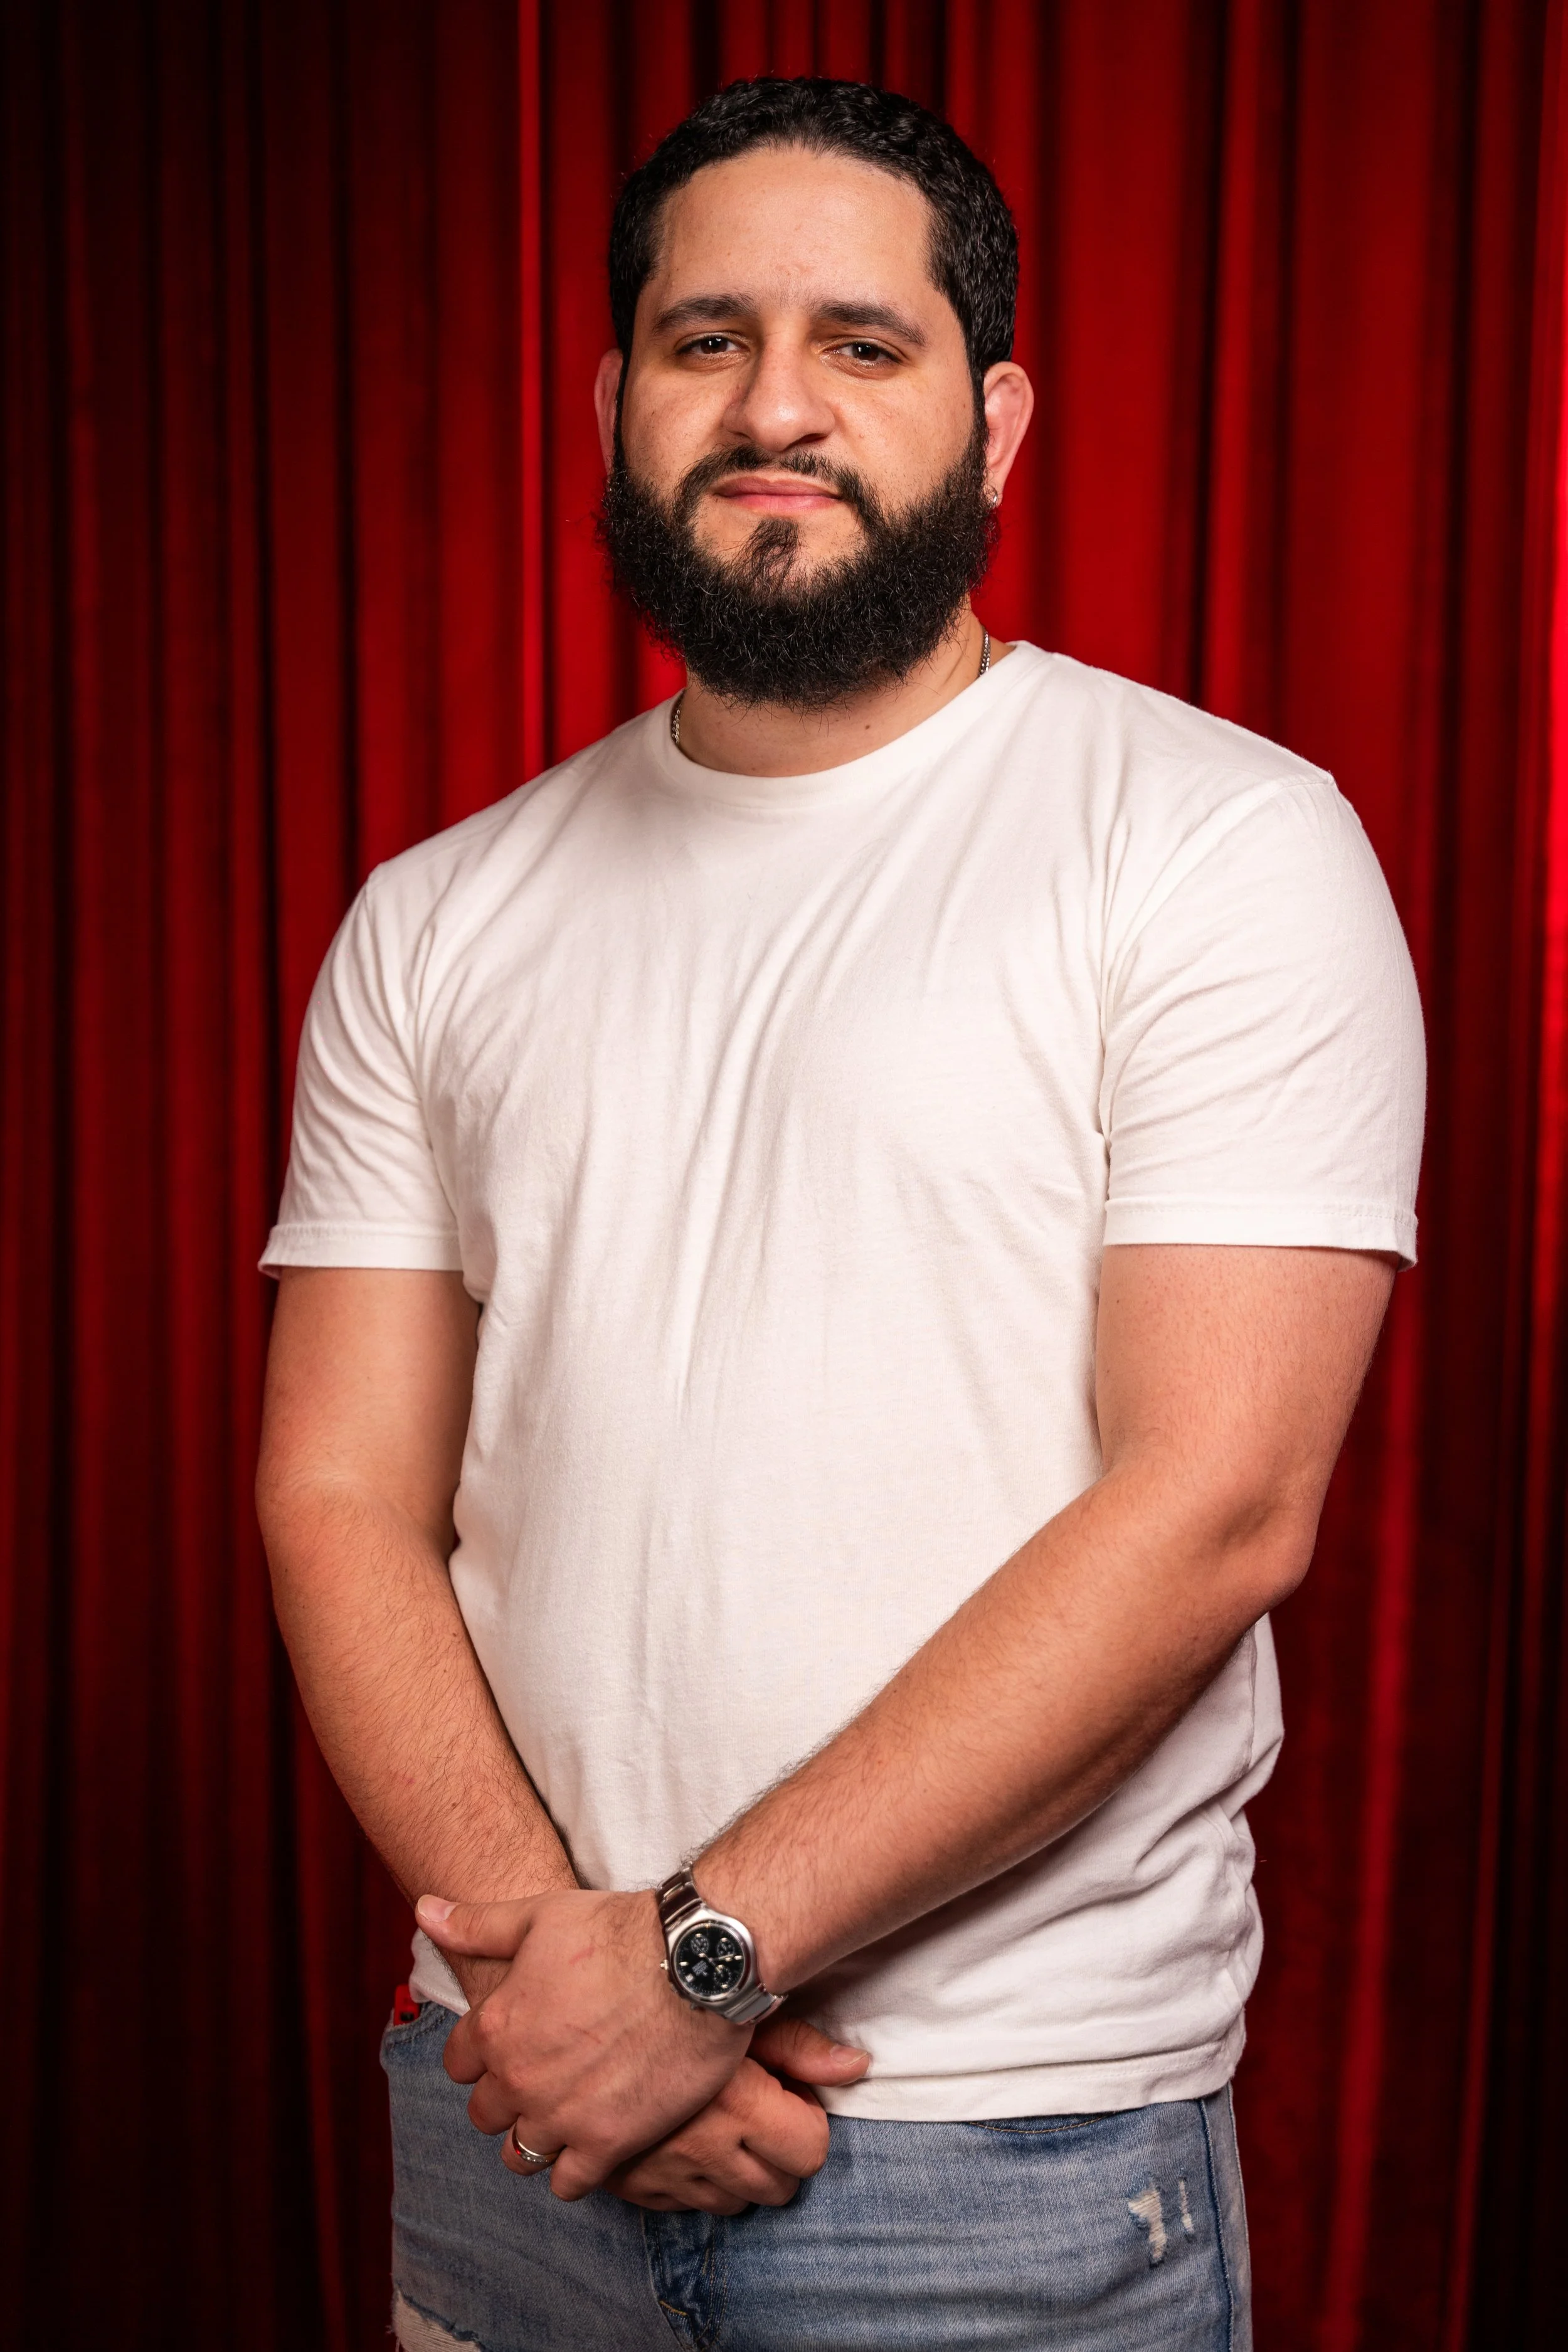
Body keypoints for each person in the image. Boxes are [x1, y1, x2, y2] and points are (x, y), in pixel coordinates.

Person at [256, 75, 1423, 2352]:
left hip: (996, 2148)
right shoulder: (433, 915)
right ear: (610, 401)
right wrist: (570, 1990)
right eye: (704, 339)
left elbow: (1217, 1503)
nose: (772, 402)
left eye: (859, 346)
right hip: (516, 2114)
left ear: (992, 420)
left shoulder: (1216, 844)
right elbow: (333, 1489)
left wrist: (698, 1958)